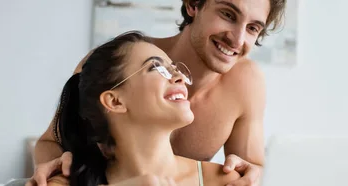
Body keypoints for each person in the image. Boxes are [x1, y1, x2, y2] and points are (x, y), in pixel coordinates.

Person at [29, 0, 286, 185]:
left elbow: (251, 168)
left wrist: (251, 174)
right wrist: (61, 173)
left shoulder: (246, 82)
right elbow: (51, 142)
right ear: (193, 5)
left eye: (253, 28)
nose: (238, 39)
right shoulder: (116, 64)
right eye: (228, 14)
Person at [50, 31, 241, 186]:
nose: (179, 77)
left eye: (174, 68)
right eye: (156, 68)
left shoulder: (223, 181)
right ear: (115, 101)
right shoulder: (64, 182)